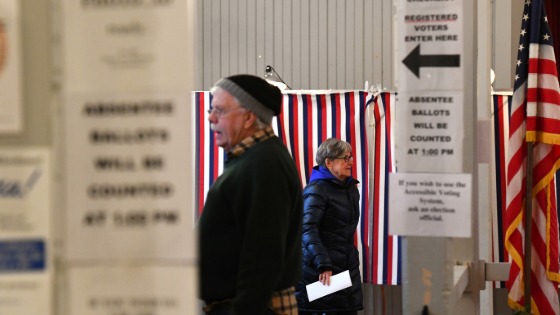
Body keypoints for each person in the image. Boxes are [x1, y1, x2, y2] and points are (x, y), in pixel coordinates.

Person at [198, 74, 303, 315]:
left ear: (248, 117)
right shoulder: (254, 158)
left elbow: (264, 254)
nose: (211, 118)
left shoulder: (264, 163)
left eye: (220, 110)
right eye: (211, 109)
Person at [295, 138, 364, 315]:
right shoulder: (316, 190)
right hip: (321, 271)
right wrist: (323, 263)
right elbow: (307, 228)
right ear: (329, 162)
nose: (351, 162)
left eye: (351, 157)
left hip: (346, 269)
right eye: (345, 158)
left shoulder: (350, 189)